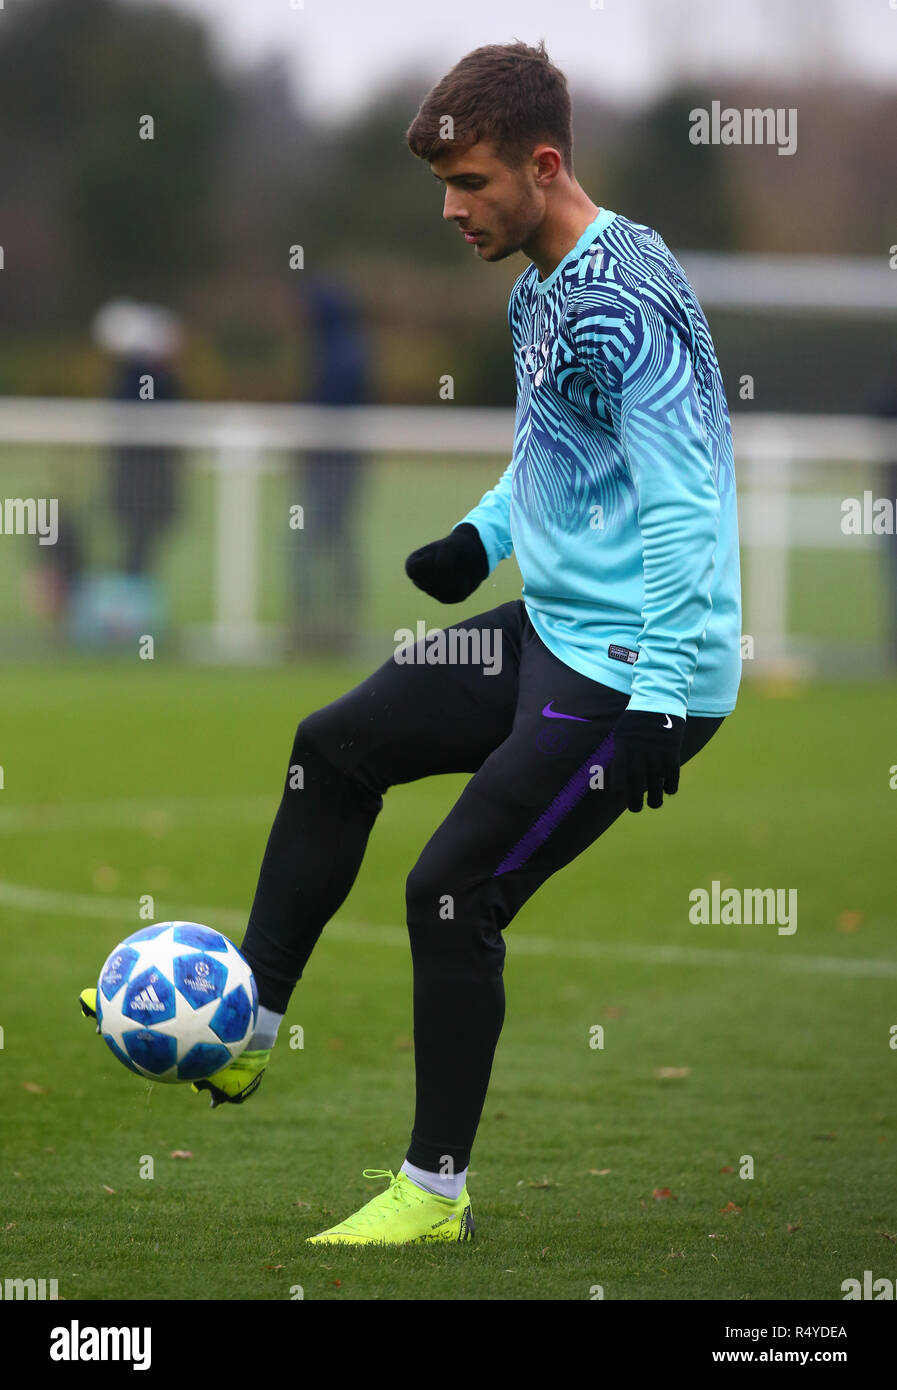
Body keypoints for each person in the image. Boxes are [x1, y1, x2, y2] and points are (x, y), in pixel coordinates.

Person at [82, 40, 742, 1247]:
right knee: (333, 746)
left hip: (634, 671)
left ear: (545, 166)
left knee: (450, 894)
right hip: (560, 631)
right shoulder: (545, 279)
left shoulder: (623, 297)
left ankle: (433, 1192)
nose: (451, 209)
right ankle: (244, 1027)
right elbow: (557, 451)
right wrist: (477, 537)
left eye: (473, 184)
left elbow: (687, 499)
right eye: (443, 186)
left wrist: (658, 694)